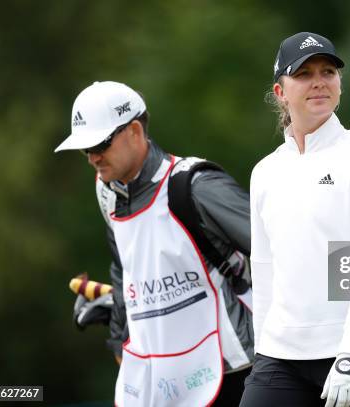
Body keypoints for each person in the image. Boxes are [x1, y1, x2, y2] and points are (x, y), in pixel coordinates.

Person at [55, 81, 254, 406]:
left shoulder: (195, 186)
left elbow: (279, 248)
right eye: (85, 149)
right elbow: (125, 268)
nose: (92, 158)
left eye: (100, 144)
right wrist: (121, 333)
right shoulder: (108, 192)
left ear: (134, 131)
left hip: (236, 370)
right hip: (169, 378)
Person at [240, 32, 350, 407]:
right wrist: (262, 350)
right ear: (280, 91)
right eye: (303, 74)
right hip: (282, 358)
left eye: (328, 71)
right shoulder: (265, 172)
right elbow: (265, 268)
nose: (319, 81)